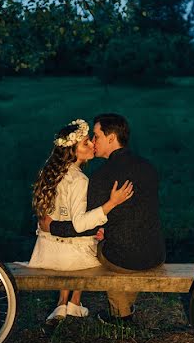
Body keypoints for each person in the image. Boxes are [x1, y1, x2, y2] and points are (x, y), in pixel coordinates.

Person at [40, 113, 164, 324]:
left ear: (111, 137)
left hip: (125, 258)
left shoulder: (101, 176)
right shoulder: (148, 166)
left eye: (96, 136)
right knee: (125, 240)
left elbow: (86, 228)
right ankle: (109, 308)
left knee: (100, 248)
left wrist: (52, 227)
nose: (93, 142)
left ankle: (120, 315)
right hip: (156, 253)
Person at [28, 119, 135, 323]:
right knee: (95, 238)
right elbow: (79, 224)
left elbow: (48, 219)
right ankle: (74, 302)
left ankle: (64, 303)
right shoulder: (80, 181)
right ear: (72, 151)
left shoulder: (49, 174)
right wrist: (108, 207)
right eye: (86, 142)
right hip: (73, 260)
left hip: (45, 253)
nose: (92, 144)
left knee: (77, 230)